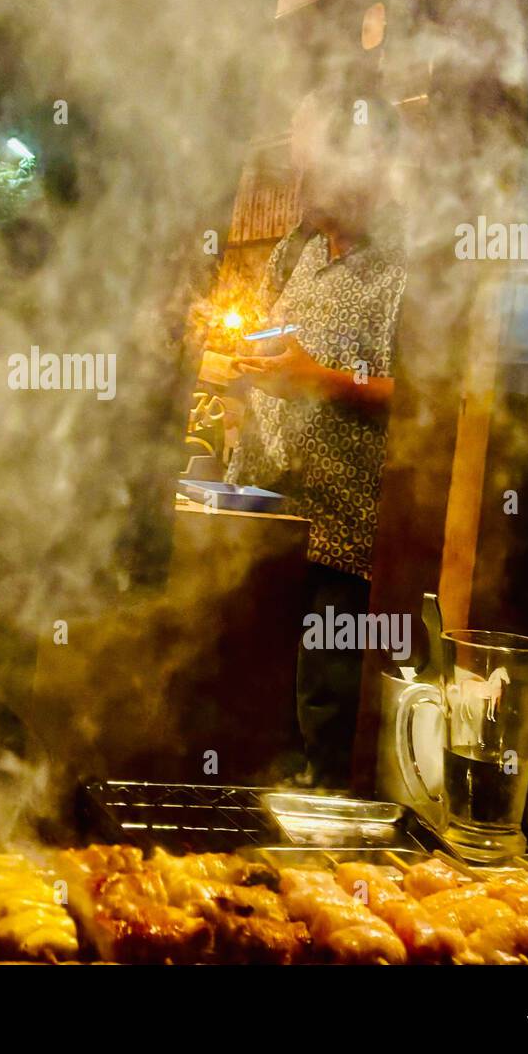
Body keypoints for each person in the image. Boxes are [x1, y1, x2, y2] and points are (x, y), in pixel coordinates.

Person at [226, 85, 406, 786]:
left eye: (320, 167)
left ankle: (320, 871)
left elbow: (424, 402)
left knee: (320, 719)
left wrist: (320, 379)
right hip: (269, 521)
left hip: (344, 545)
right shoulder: (299, 251)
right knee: (253, 720)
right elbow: (271, 337)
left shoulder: (404, 268)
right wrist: (251, 368)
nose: (303, 186)